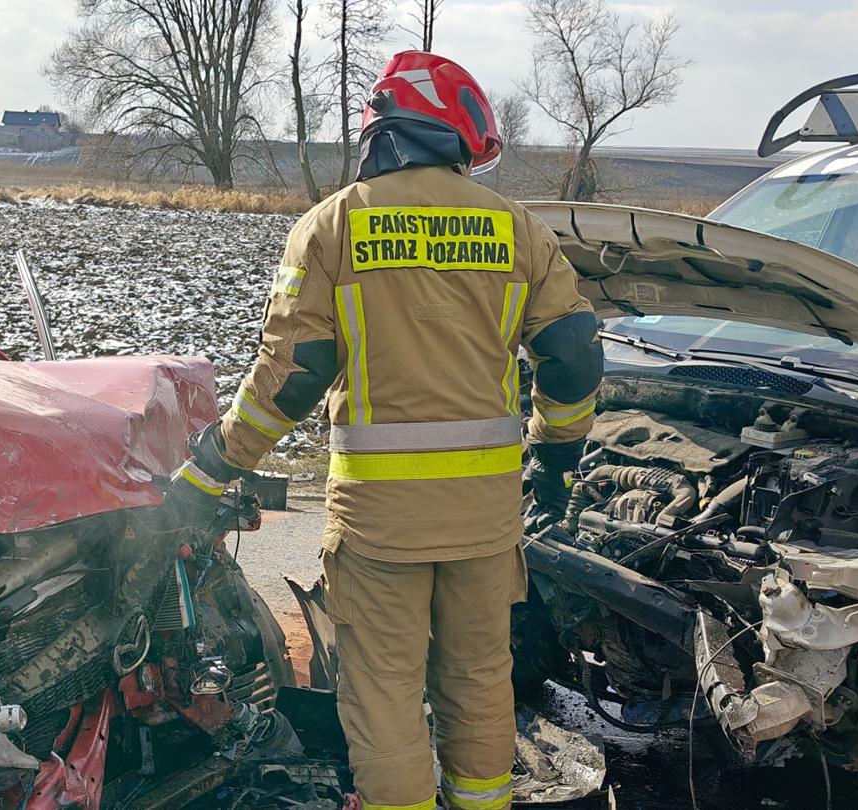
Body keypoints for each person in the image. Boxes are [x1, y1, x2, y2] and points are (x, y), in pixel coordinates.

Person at [166, 51, 604, 810]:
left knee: (387, 702)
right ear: (456, 134)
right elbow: (570, 357)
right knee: (477, 686)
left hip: (379, 527)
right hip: (484, 521)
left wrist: (213, 467)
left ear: (383, 122)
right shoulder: (517, 228)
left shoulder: (332, 226)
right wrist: (558, 456)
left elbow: (292, 377)